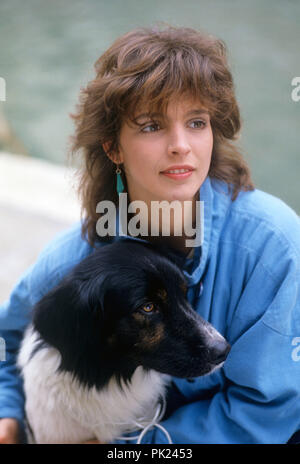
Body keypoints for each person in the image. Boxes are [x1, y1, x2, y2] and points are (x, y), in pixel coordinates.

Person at [0, 25, 300, 445]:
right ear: (113, 147)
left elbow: (269, 412)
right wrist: (7, 415)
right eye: (151, 126)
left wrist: (130, 450)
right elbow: (6, 338)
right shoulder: (72, 261)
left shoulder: (273, 248)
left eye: (197, 122)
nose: (181, 145)